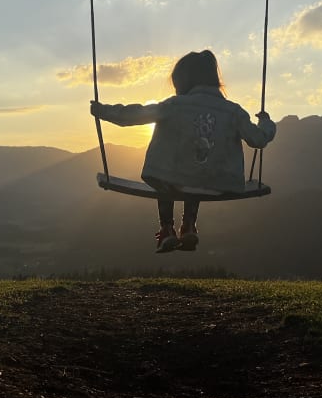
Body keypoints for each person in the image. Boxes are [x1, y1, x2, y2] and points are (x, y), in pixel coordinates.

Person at [90, 50, 277, 253]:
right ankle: (189, 226)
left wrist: (103, 111)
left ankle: (167, 228)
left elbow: (137, 114)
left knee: (167, 175)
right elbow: (259, 139)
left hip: (175, 181)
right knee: (197, 173)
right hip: (220, 184)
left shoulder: (175, 105)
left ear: (184, 81)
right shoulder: (234, 112)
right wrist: (266, 122)